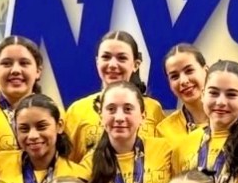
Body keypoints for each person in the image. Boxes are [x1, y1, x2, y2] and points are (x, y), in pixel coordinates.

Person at [64, 31, 166, 159]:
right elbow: (67, 164)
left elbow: (163, 158)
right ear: (97, 62)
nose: (112, 65)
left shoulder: (153, 109)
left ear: (136, 65)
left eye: (121, 58)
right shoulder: (77, 111)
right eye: (106, 57)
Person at [157, 43, 209, 145]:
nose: (183, 81)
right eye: (174, 76)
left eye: (189, 71)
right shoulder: (165, 131)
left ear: (206, 71)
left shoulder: (231, 117)